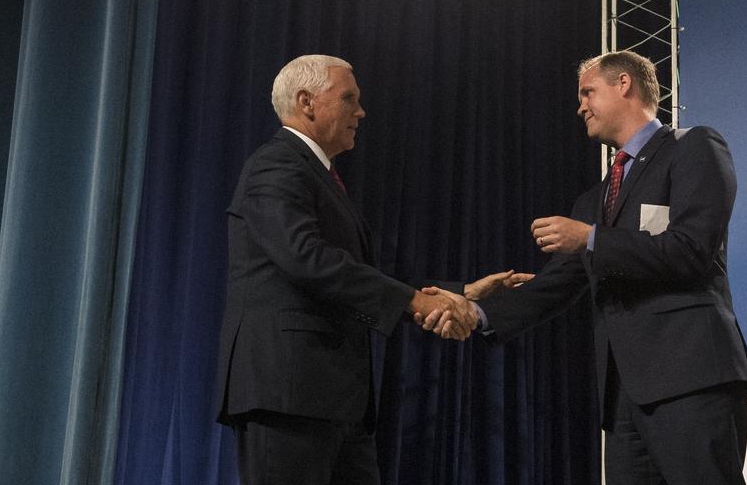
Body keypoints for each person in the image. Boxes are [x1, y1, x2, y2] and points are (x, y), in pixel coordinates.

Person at [433, 50, 747, 484]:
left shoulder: (694, 147)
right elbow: (556, 285)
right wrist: (475, 311)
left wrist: (590, 237)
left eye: (588, 92)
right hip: (624, 398)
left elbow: (690, 250)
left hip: (692, 378)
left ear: (624, 84)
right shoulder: (592, 202)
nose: (580, 105)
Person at [215, 54, 522, 485]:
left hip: (335, 400)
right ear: (306, 102)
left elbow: (354, 272)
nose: (360, 112)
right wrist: (415, 300)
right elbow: (308, 259)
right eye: (349, 99)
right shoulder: (276, 164)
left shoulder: (316, 174)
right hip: (287, 395)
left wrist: (457, 291)